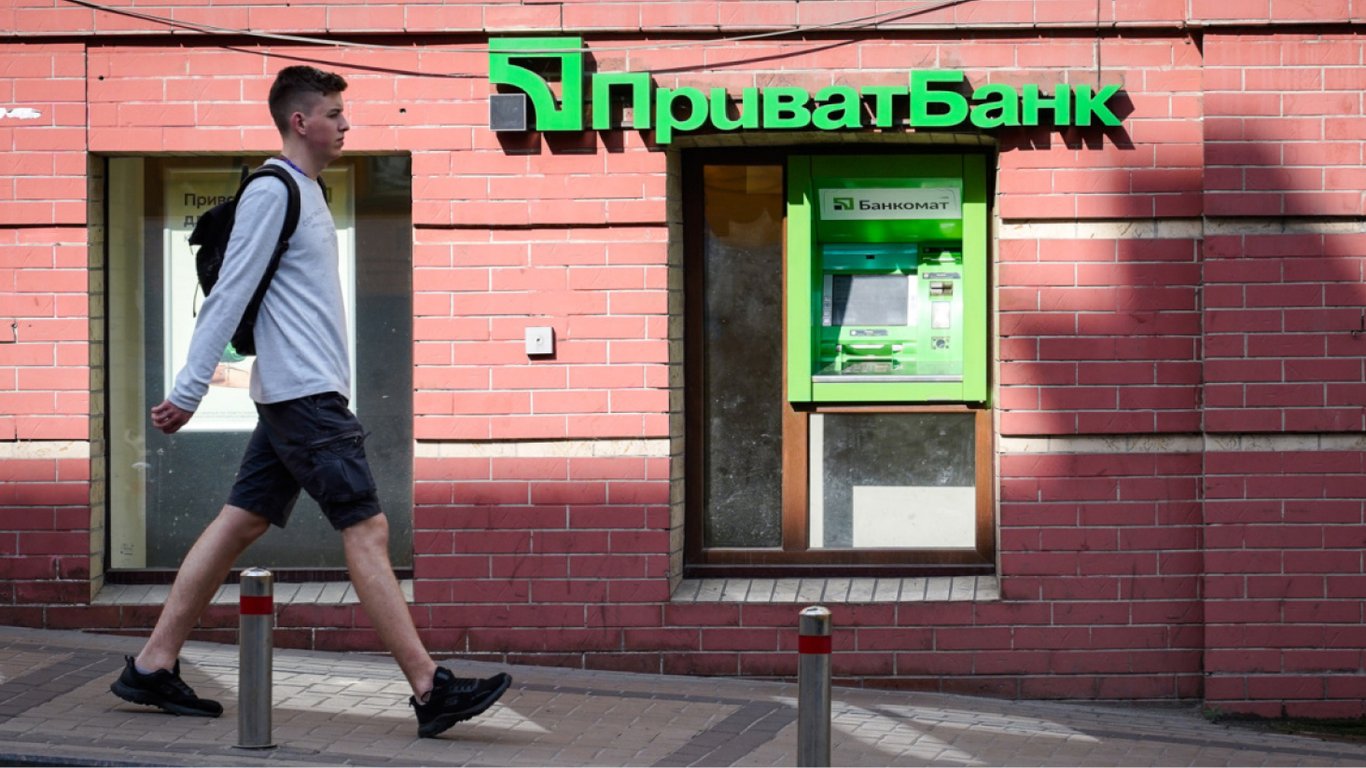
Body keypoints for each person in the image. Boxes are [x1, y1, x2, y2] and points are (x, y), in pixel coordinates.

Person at [109, 65, 511, 739]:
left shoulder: (308, 192)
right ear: (301, 122)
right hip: (305, 399)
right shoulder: (274, 191)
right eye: (333, 113)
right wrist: (188, 391)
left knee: (238, 523)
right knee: (367, 529)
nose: (345, 124)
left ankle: (152, 664)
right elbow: (229, 294)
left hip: (297, 395)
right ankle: (429, 687)